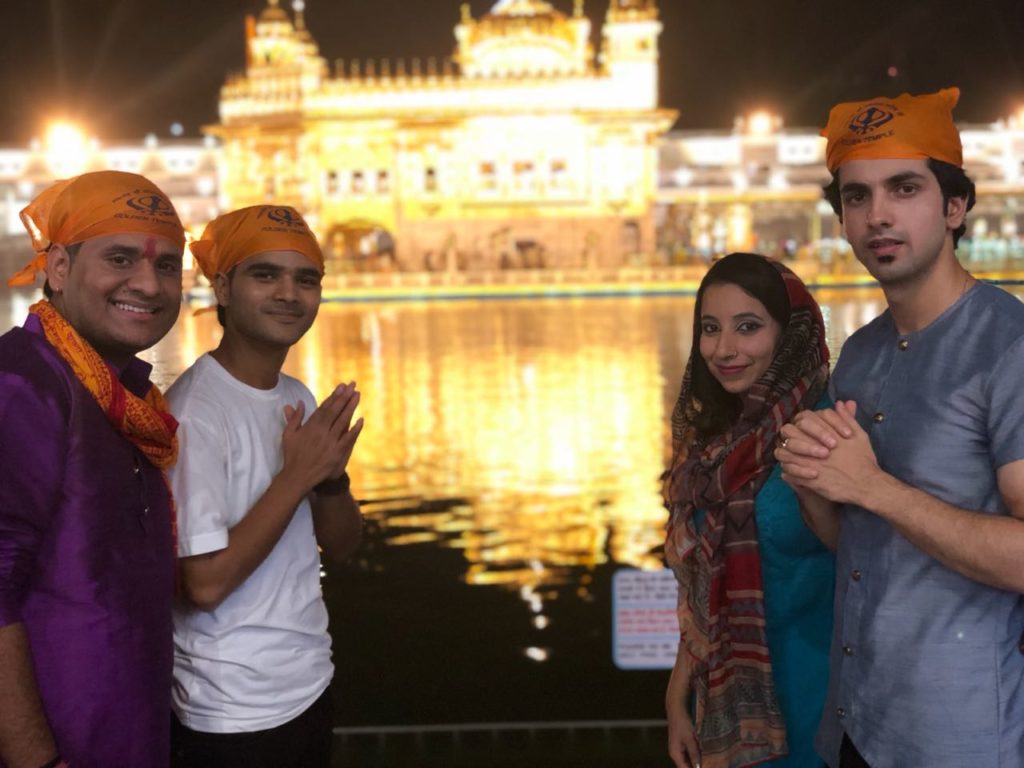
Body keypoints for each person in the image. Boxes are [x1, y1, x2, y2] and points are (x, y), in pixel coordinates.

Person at [777, 87, 1024, 767]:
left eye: (904, 188)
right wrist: (815, 480)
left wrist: (874, 486)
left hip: (960, 735)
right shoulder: (860, 353)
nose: (878, 216)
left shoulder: (1008, 347)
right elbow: (854, 542)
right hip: (859, 720)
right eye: (856, 197)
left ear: (954, 206)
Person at [0, 171, 186, 768]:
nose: (148, 284)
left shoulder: (123, 395)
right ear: (58, 268)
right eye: (121, 258)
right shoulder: (23, 384)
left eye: (167, 266)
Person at [167, 205, 363, 768]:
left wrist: (331, 479)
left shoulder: (296, 396)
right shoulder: (195, 414)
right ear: (223, 287)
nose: (289, 293)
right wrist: (297, 474)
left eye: (306, 280)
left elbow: (343, 546)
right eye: (265, 274)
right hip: (231, 712)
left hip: (307, 680)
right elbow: (202, 585)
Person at [663, 252, 835, 768]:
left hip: (816, 703)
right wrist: (675, 701)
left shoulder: (827, 427)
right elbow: (701, 590)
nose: (724, 349)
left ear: (791, 334)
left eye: (749, 327)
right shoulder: (710, 440)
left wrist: (809, 480)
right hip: (719, 705)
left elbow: (861, 558)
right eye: (710, 328)